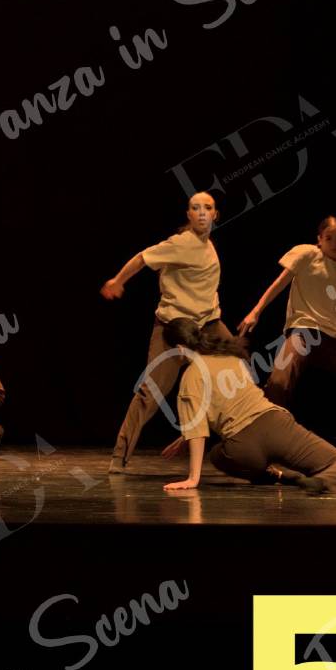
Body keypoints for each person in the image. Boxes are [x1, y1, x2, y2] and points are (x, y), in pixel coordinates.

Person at [237, 215, 336, 461]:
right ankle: (269, 445)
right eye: (328, 238)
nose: (334, 244)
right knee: (278, 383)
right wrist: (255, 312)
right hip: (302, 333)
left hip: (333, 340)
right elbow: (279, 284)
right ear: (319, 239)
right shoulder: (306, 254)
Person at [159, 319, 336, 494]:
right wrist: (185, 436)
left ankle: (283, 476)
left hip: (244, 448)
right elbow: (231, 400)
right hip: (276, 426)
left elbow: (198, 432)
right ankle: (322, 482)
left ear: (180, 348)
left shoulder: (191, 377)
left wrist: (193, 479)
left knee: (217, 456)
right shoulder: (229, 356)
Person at [102, 191, 227, 472]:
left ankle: (246, 441)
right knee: (152, 391)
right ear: (189, 215)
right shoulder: (182, 243)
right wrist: (118, 281)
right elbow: (142, 258)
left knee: (237, 370)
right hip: (173, 327)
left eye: (207, 207)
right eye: (196, 208)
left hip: (207, 324)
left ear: (215, 214)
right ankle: (119, 455)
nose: (202, 212)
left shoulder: (208, 245)